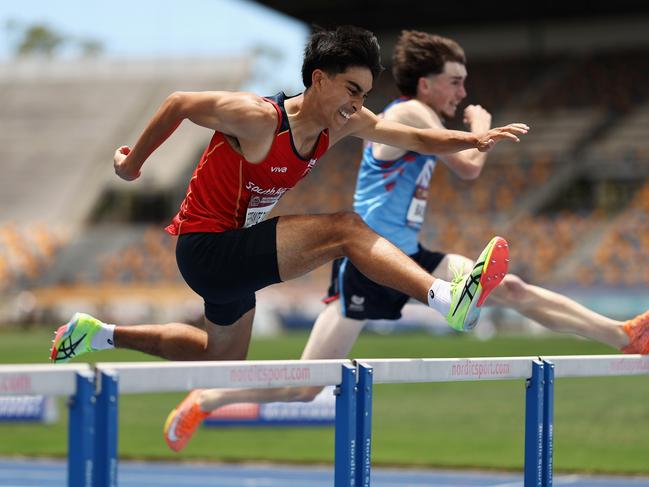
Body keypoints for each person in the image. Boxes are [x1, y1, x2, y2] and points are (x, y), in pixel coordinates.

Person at [161, 30, 649, 452]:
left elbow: (450, 153)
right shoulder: (413, 111)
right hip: (366, 258)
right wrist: (478, 129)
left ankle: (622, 335)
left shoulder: (404, 115)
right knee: (303, 386)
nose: (462, 92)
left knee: (513, 289)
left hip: (406, 255)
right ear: (427, 84)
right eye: (455, 81)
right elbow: (467, 167)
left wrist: (469, 135)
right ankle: (209, 398)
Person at [49, 25, 527, 366]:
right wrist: (132, 166)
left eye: (363, 93)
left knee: (220, 358)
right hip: (206, 247)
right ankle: (445, 298)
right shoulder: (258, 118)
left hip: (232, 260)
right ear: (318, 79)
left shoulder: (345, 123)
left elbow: (414, 138)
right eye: (350, 90)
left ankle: (101, 335)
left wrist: (471, 140)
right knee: (345, 228)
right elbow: (179, 103)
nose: (357, 105)